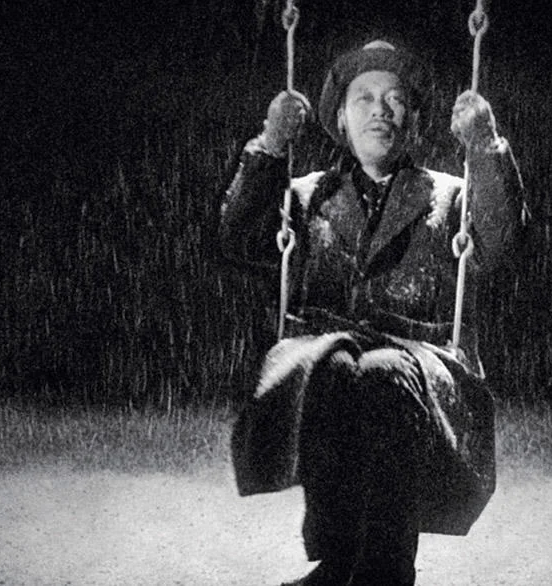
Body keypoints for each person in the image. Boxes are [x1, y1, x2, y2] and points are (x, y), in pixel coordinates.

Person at [221, 39, 527, 586]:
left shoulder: (449, 198)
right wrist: (270, 144)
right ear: (340, 118)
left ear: (414, 119)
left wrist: (484, 145)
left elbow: (502, 238)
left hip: (422, 363)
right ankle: (339, 561)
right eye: (364, 97)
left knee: (382, 371)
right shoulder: (306, 196)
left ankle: (386, 568)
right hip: (325, 352)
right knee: (335, 367)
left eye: (394, 99)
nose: (380, 110)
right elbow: (239, 240)